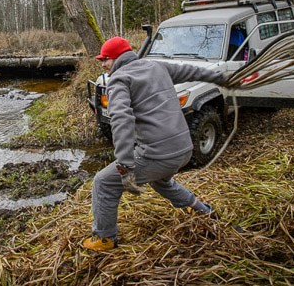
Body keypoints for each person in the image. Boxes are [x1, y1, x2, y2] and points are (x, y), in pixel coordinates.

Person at [82, 37, 228, 251]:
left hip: (160, 155)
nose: (103, 64)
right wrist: (221, 78)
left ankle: (105, 238)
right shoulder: (156, 66)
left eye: (105, 59)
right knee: (161, 180)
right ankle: (201, 209)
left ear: (118, 57)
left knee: (103, 182)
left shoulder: (118, 80)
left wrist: (125, 165)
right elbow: (190, 71)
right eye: (101, 60)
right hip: (185, 149)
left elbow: (121, 119)